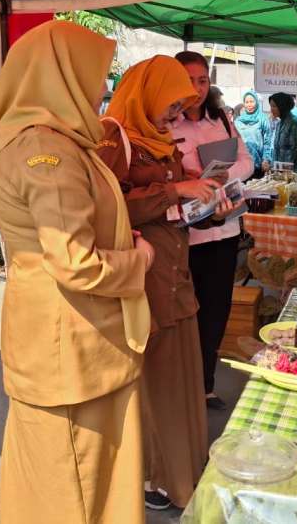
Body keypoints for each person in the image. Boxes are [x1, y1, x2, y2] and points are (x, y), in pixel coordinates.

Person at [0, 21, 153, 524]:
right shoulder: (45, 153)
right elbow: (76, 263)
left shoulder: (51, 140)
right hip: (69, 343)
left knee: (80, 480)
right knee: (73, 485)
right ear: (62, 74)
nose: (104, 88)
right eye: (96, 74)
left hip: (72, 339)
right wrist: (137, 261)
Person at [101, 55, 235, 511]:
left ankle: (183, 471)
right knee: (155, 379)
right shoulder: (113, 137)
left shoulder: (159, 138)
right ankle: (156, 476)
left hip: (175, 269)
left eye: (181, 108)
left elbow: (173, 195)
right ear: (148, 93)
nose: (176, 116)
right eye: (171, 106)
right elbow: (107, 207)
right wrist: (176, 192)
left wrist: (203, 194)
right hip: (145, 273)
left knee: (181, 375)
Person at [172, 51, 252, 410]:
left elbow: (247, 161)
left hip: (224, 229)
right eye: (188, 80)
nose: (197, 88)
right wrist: (190, 181)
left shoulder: (221, 118)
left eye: (202, 80)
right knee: (187, 312)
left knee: (216, 311)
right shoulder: (164, 123)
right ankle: (181, 384)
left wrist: (221, 177)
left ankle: (205, 383)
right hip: (185, 236)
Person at [235, 90, 274, 178]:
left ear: (256, 102)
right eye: (247, 102)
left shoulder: (263, 119)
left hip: (258, 164)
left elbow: (267, 142)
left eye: (252, 101)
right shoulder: (238, 121)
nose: (249, 105)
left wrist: (266, 159)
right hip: (241, 165)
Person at [269, 92, 297, 173]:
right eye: (271, 106)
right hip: (284, 170)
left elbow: (293, 152)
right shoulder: (279, 123)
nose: (271, 109)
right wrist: (275, 167)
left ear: (282, 106)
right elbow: (277, 150)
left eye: (274, 106)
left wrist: (280, 169)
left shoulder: (294, 123)